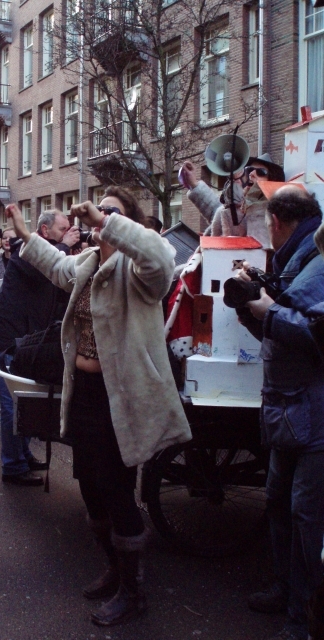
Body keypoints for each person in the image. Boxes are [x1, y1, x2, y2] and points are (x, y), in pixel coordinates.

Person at [5, 186, 191, 626]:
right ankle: (113, 566)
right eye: (98, 209)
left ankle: (134, 591)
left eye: (111, 211)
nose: (97, 215)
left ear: (125, 222)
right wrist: (25, 235)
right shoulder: (88, 265)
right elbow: (55, 265)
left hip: (120, 396)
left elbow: (163, 258)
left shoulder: (140, 270)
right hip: (85, 394)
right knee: (89, 486)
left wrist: (106, 219)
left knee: (115, 489)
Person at [233, 186, 324, 640]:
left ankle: (302, 619)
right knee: (278, 503)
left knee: (307, 517)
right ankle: (285, 591)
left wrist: (267, 312)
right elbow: (283, 326)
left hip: (315, 417)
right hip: (290, 410)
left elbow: (317, 335)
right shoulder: (300, 257)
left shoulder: (318, 259)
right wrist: (253, 307)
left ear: (274, 221)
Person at [0, 211, 80, 487]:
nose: (69, 233)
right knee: (11, 406)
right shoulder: (25, 248)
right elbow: (41, 269)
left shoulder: (56, 254)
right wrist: (63, 248)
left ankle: (23, 454)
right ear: (44, 230)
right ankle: (12, 466)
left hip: (28, 340)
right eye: (63, 229)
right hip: (9, 337)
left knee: (24, 401)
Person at [180, 153, 285, 247]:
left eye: (261, 172)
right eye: (249, 170)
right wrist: (193, 184)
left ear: (272, 180)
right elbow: (218, 212)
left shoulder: (276, 212)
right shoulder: (239, 206)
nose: (251, 174)